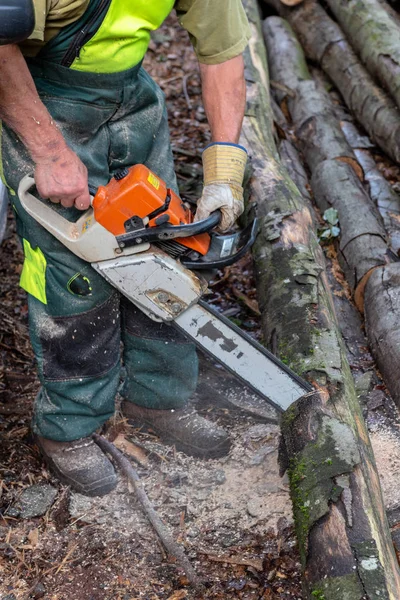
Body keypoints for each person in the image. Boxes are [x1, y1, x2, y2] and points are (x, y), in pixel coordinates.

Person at [0, 0, 251, 496]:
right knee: (74, 277)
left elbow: (223, 50)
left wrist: (226, 173)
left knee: (166, 247)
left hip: (130, 98)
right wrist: (49, 152)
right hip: (38, 96)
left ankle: (160, 397)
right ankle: (68, 427)